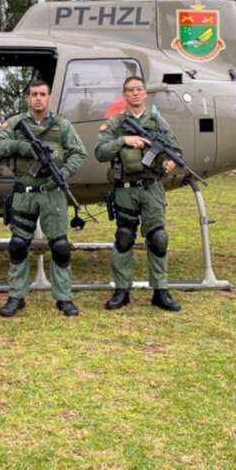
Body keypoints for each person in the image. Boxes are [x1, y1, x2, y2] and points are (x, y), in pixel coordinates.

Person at [0, 80, 86, 318]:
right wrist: (22, 147)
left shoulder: (61, 125)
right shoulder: (14, 123)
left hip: (52, 194)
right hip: (24, 194)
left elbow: (79, 152)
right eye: (34, 94)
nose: (38, 98)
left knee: (61, 247)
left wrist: (63, 174)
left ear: (49, 98)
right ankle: (16, 296)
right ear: (28, 98)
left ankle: (64, 297)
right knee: (18, 245)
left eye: (43, 94)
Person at [95, 76, 183, 312]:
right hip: (125, 190)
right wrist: (124, 140)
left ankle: (160, 291)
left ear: (145, 94)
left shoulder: (157, 121)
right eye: (130, 90)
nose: (135, 93)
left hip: (152, 187)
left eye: (139, 89)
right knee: (124, 237)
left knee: (158, 238)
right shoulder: (115, 123)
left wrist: (169, 163)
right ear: (124, 95)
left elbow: (174, 150)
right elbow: (100, 151)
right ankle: (122, 291)